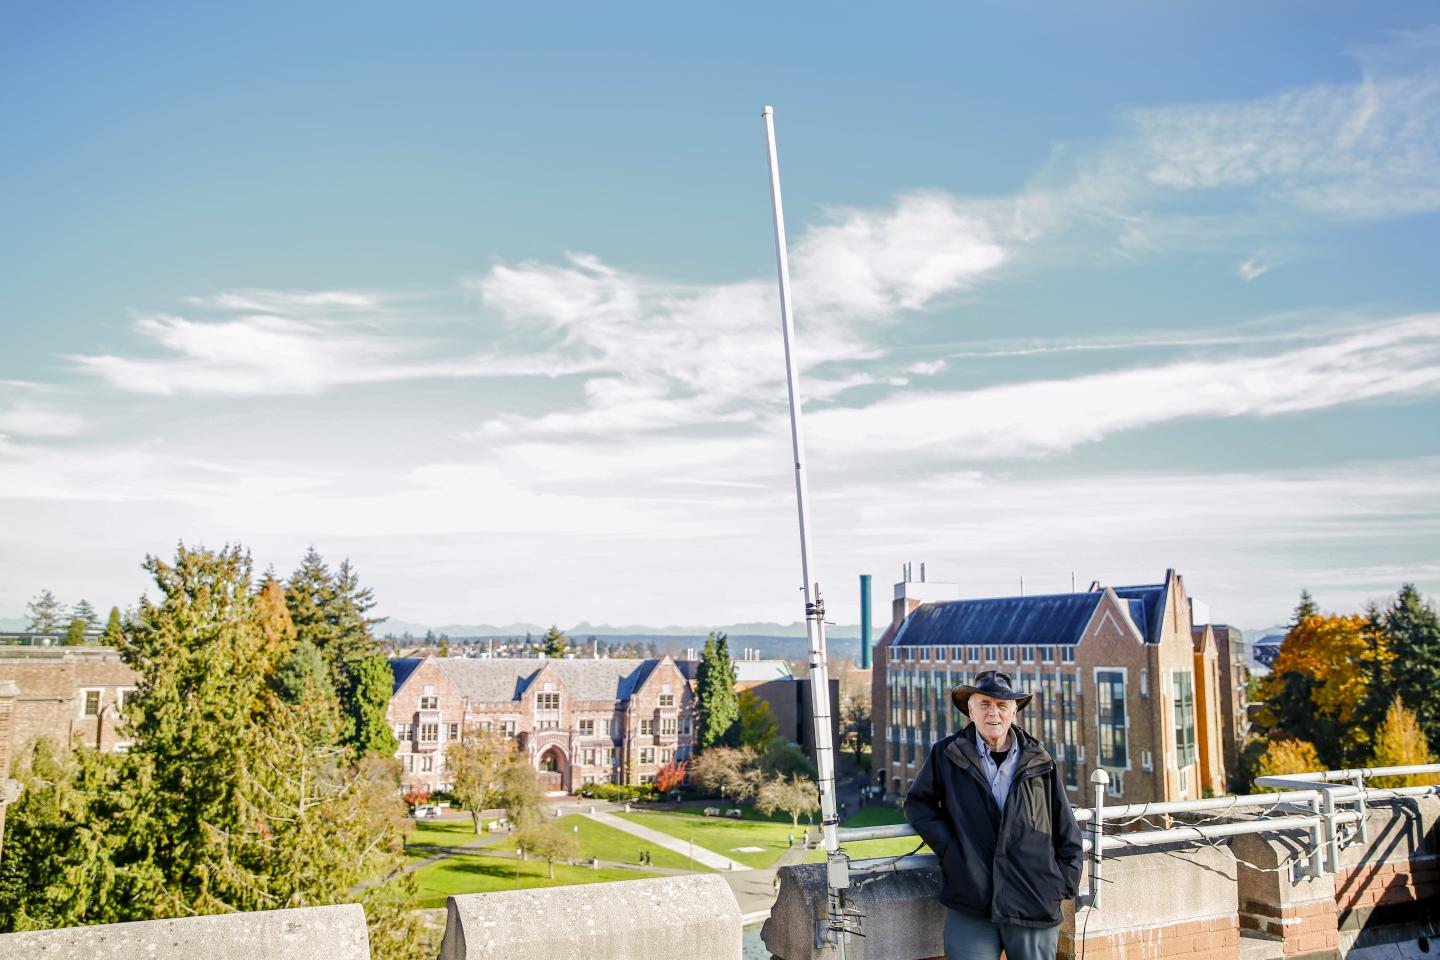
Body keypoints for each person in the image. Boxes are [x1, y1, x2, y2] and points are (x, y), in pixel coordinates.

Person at [904, 669, 1082, 960]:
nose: (993, 713)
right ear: (970, 711)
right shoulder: (946, 755)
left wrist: (1061, 885)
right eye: (984, 704)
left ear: (1014, 712)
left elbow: (1066, 828)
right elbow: (917, 804)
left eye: (1002, 706)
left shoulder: (1039, 759)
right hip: (971, 899)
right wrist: (952, 849)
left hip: (1033, 900)